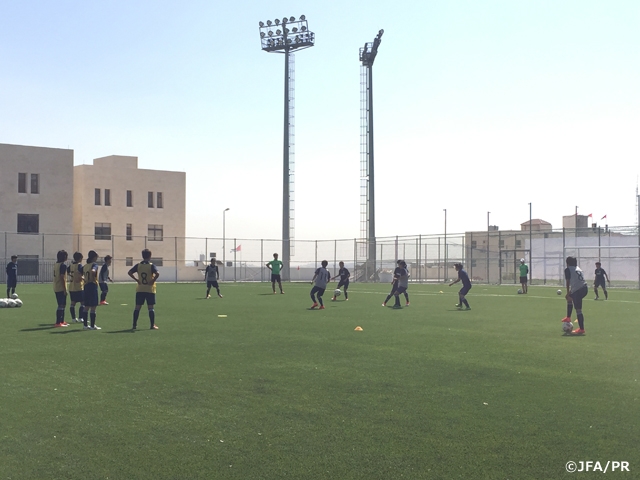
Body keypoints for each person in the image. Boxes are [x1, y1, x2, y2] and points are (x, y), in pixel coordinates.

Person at [128, 249, 160, 330]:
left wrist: (136, 280)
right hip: (149, 289)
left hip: (140, 289)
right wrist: (153, 280)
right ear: (150, 256)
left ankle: (134, 325)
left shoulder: (138, 265)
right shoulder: (151, 265)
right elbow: (157, 273)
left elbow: (129, 272)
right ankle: (152, 325)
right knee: (150, 307)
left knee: (137, 307)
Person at [562, 256, 588, 334]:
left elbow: (568, 282)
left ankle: (581, 329)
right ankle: (568, 317)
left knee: (578, 310)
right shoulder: (578, 269)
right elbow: (577, 282)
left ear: (567, 263)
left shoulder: (568, 269)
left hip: (578, 290)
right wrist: (569, 294)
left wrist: (567, 293)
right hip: (584, 288)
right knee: (570, 298)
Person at [82, 250, 101, 330]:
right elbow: (93, 271)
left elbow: (79, 273)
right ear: (94, 257)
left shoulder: (85, 266)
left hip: (86, 286)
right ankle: (92, 326)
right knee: (93, 306)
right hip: (92, 286)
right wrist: (92, 279)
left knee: (86, 306)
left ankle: (85, 325)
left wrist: (85, 279)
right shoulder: (94, 265)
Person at [53, 250, 69, 327]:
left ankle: (62, 321)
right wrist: (65, 289)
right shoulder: (63, 265)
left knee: (63, 304)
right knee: (61, 305)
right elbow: (62, 277)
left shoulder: (56, 264)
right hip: (60, 287)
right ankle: (58, 322)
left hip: (56, 286)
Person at [68, 252, 85, 323]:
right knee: (83, 302)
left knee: (73, 303)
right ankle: (81, 317)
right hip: (79, 287)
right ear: (80, 258)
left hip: (72, 287)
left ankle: (73, 319)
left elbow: (67, 272)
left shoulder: (71, 265)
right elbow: (80, 274)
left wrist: (72, 276)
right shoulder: (79, 265)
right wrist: (82, 278)